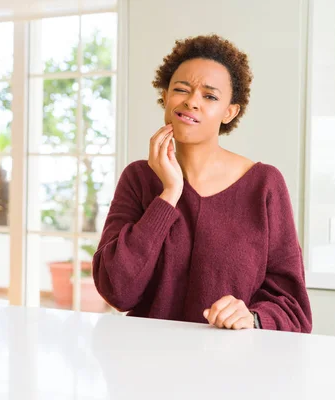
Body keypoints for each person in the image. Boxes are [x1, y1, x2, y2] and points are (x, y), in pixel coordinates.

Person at [92, 34, 312, 332]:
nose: (192, 101)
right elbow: (118, 291)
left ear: (229, 111)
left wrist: (252, 317)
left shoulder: (264, 185)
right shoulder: (138, 179)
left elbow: (294, 309)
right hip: (145, 364)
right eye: (181, 89)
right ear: (166, 97)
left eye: (209, 96)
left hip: (231, 368)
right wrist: (169, 195)